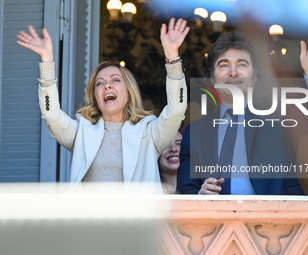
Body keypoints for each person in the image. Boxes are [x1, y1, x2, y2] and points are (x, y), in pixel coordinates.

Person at [16, 18, 189, 190]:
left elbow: (176, 110)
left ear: (129, 92)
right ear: (95, 97)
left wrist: (172, 56)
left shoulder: (149, 132)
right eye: (100, 83)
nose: (107, 85)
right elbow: (51, 115)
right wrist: (47, 61)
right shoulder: (81, 132)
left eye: (115, 80)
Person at [177, 30, 308, 195]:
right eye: (224, 65)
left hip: (278, 217)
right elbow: (185, 188)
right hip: (217, 219)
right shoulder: (193, 133)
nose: (233, 72)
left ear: (254, 76)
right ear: (211, 77)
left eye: (242, 64)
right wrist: (200, 195)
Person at [158, 130, 183, 194]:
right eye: (166, 144)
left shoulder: (202, 187)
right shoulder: (147, 189)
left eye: (179, 144)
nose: (173, 149)